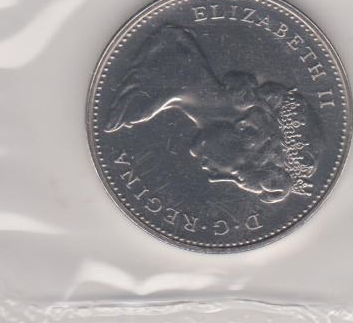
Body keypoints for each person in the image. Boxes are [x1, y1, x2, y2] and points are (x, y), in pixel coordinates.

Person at [101, 23, 321, 205]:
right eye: (236, 172)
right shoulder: (142, 102)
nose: (215, 175)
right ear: (248, 132)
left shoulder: (148, 100)